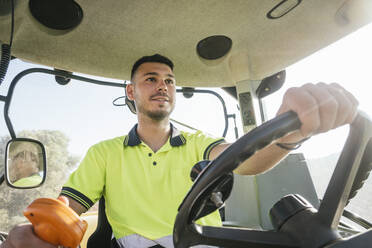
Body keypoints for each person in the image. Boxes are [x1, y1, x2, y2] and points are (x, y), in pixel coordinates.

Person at [0, 54, 358, 248]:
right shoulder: (103, 153)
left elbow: (246, 161)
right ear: (131, 92)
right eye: (151, 79)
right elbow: (66, 210)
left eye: (169, 80)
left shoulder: (199, 141)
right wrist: (34, 232)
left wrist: (288, 134)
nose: (162, 87)